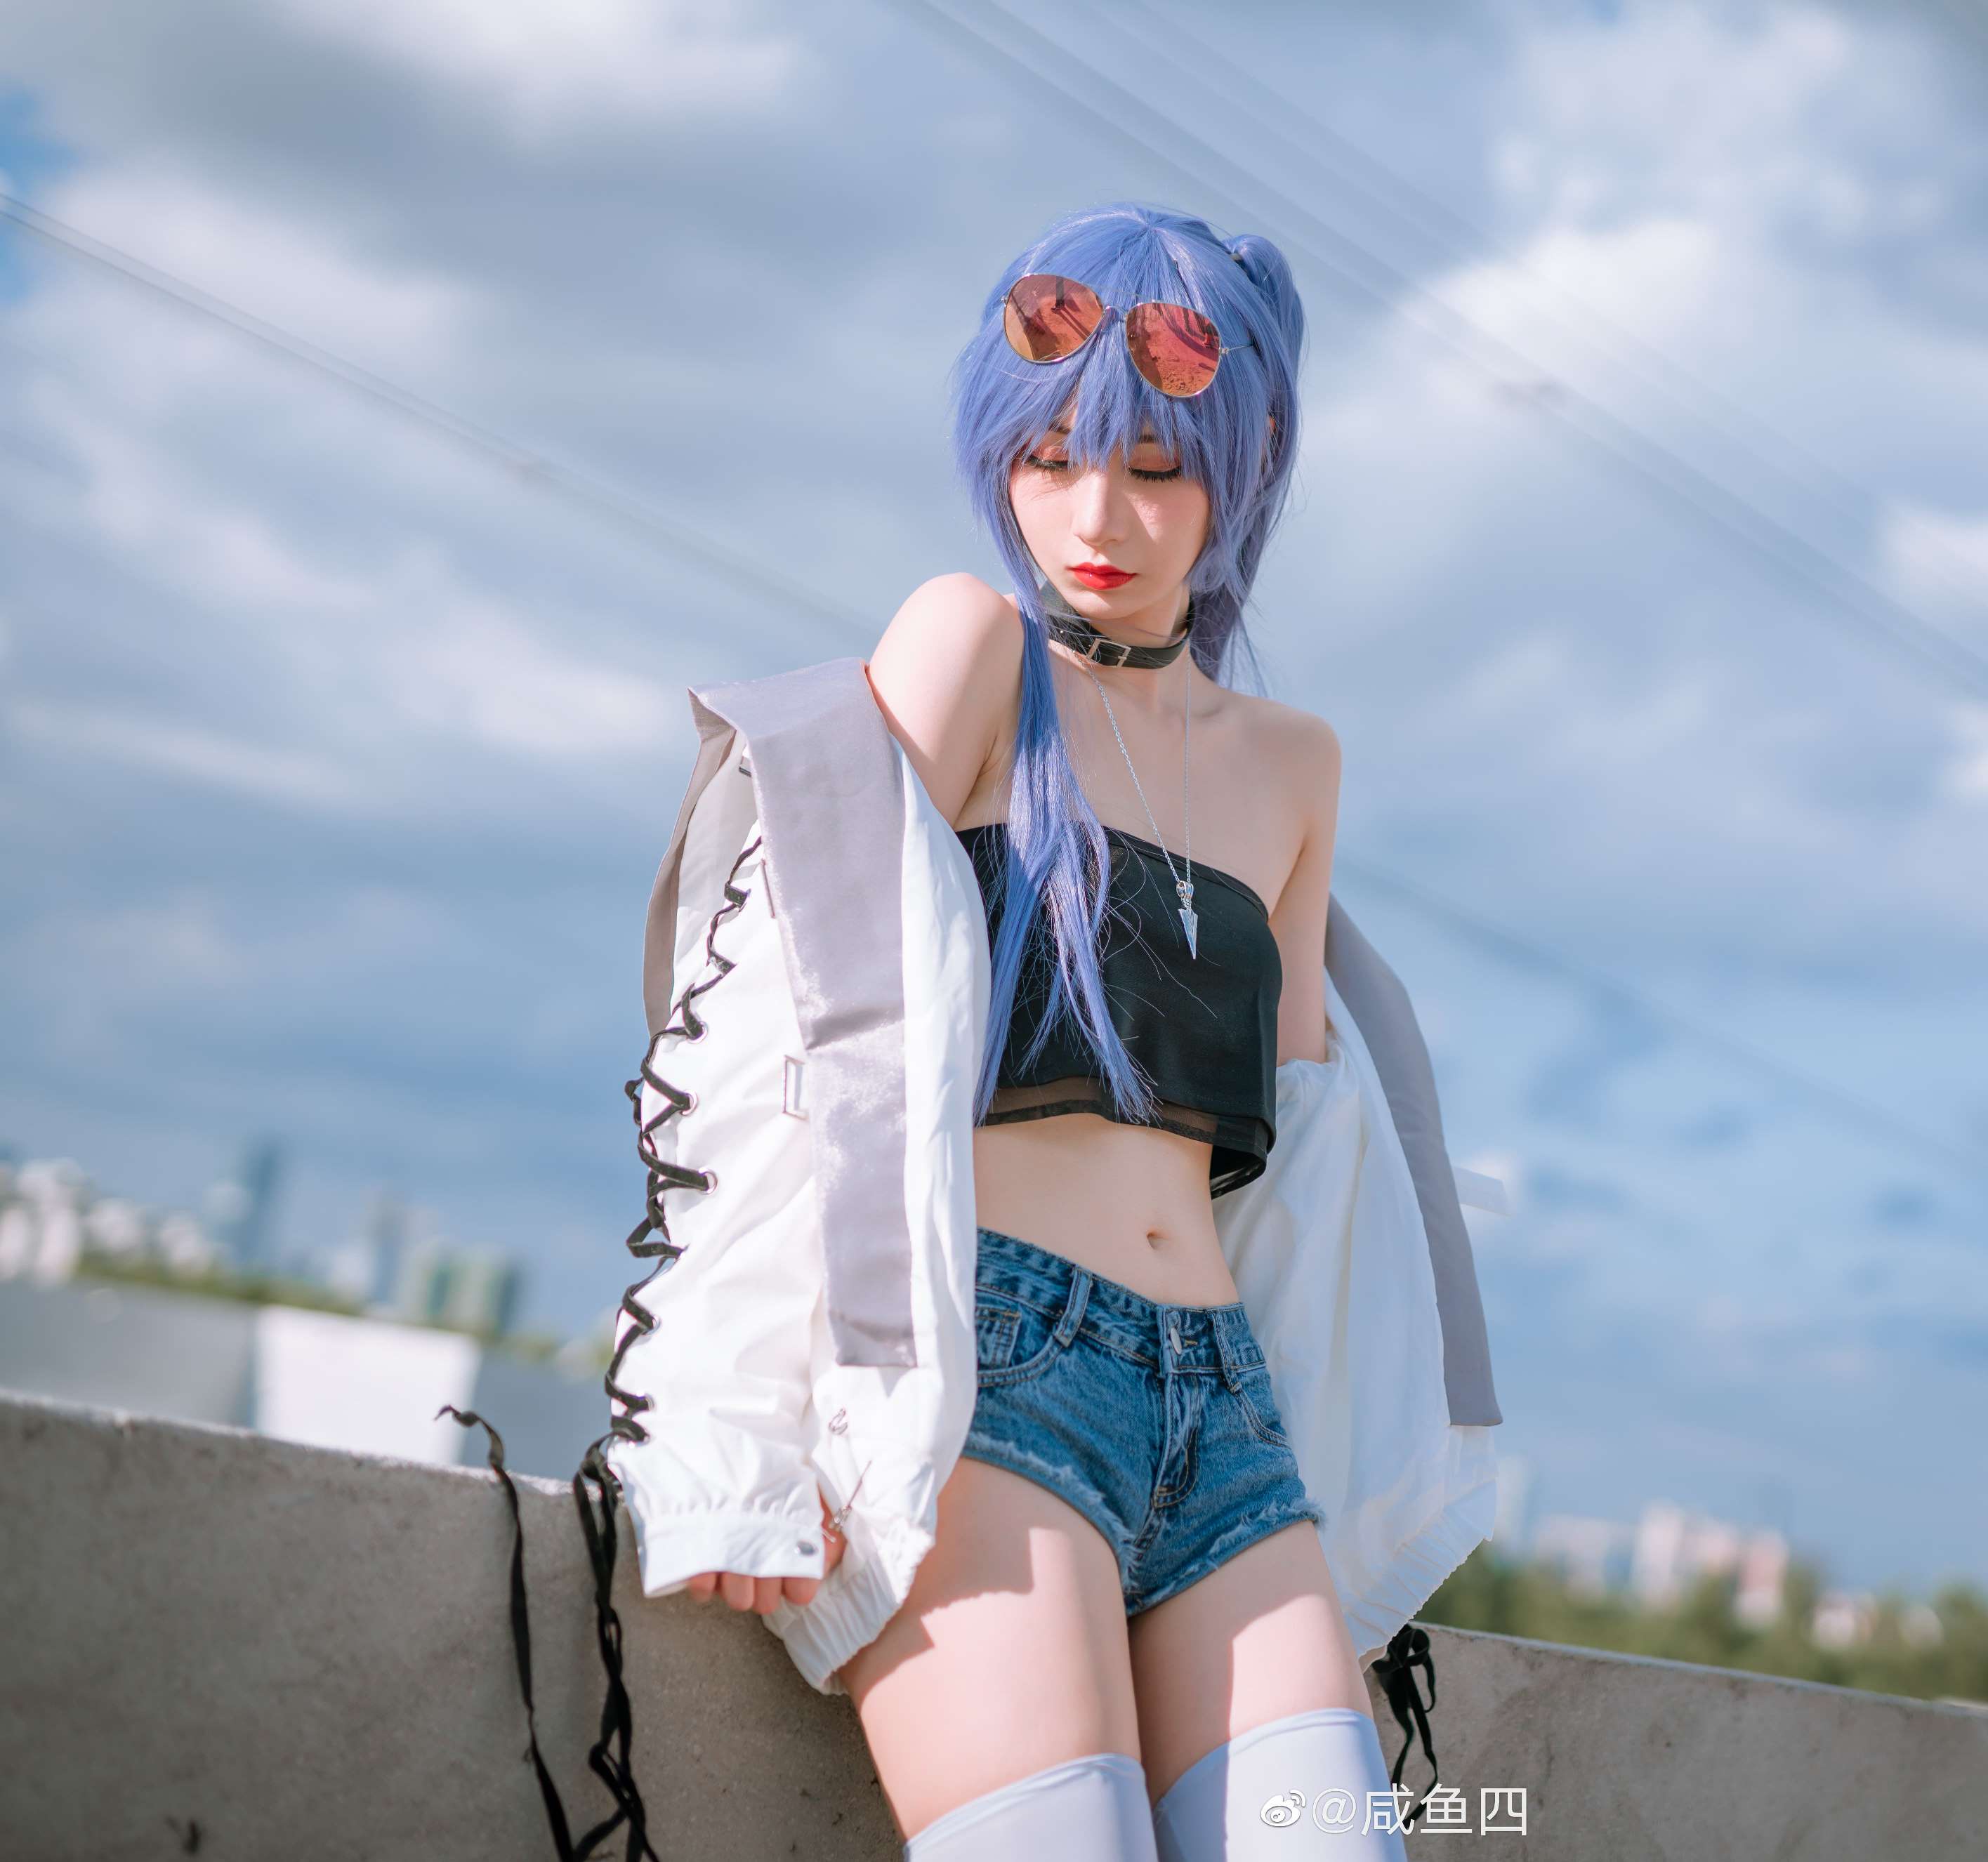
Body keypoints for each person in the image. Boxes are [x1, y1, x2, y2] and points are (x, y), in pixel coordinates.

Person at [446, 202, 1504, 1861]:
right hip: (989, 1378)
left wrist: (1351, 1479)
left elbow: (1309, 1193)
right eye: (1050, 457)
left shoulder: (1293, 764)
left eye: (1156, 468)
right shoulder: (971, 650)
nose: (1098, 516)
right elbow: (794, 1032)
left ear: (1246, 469)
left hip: (1222, 1414)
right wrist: (741, 1424)